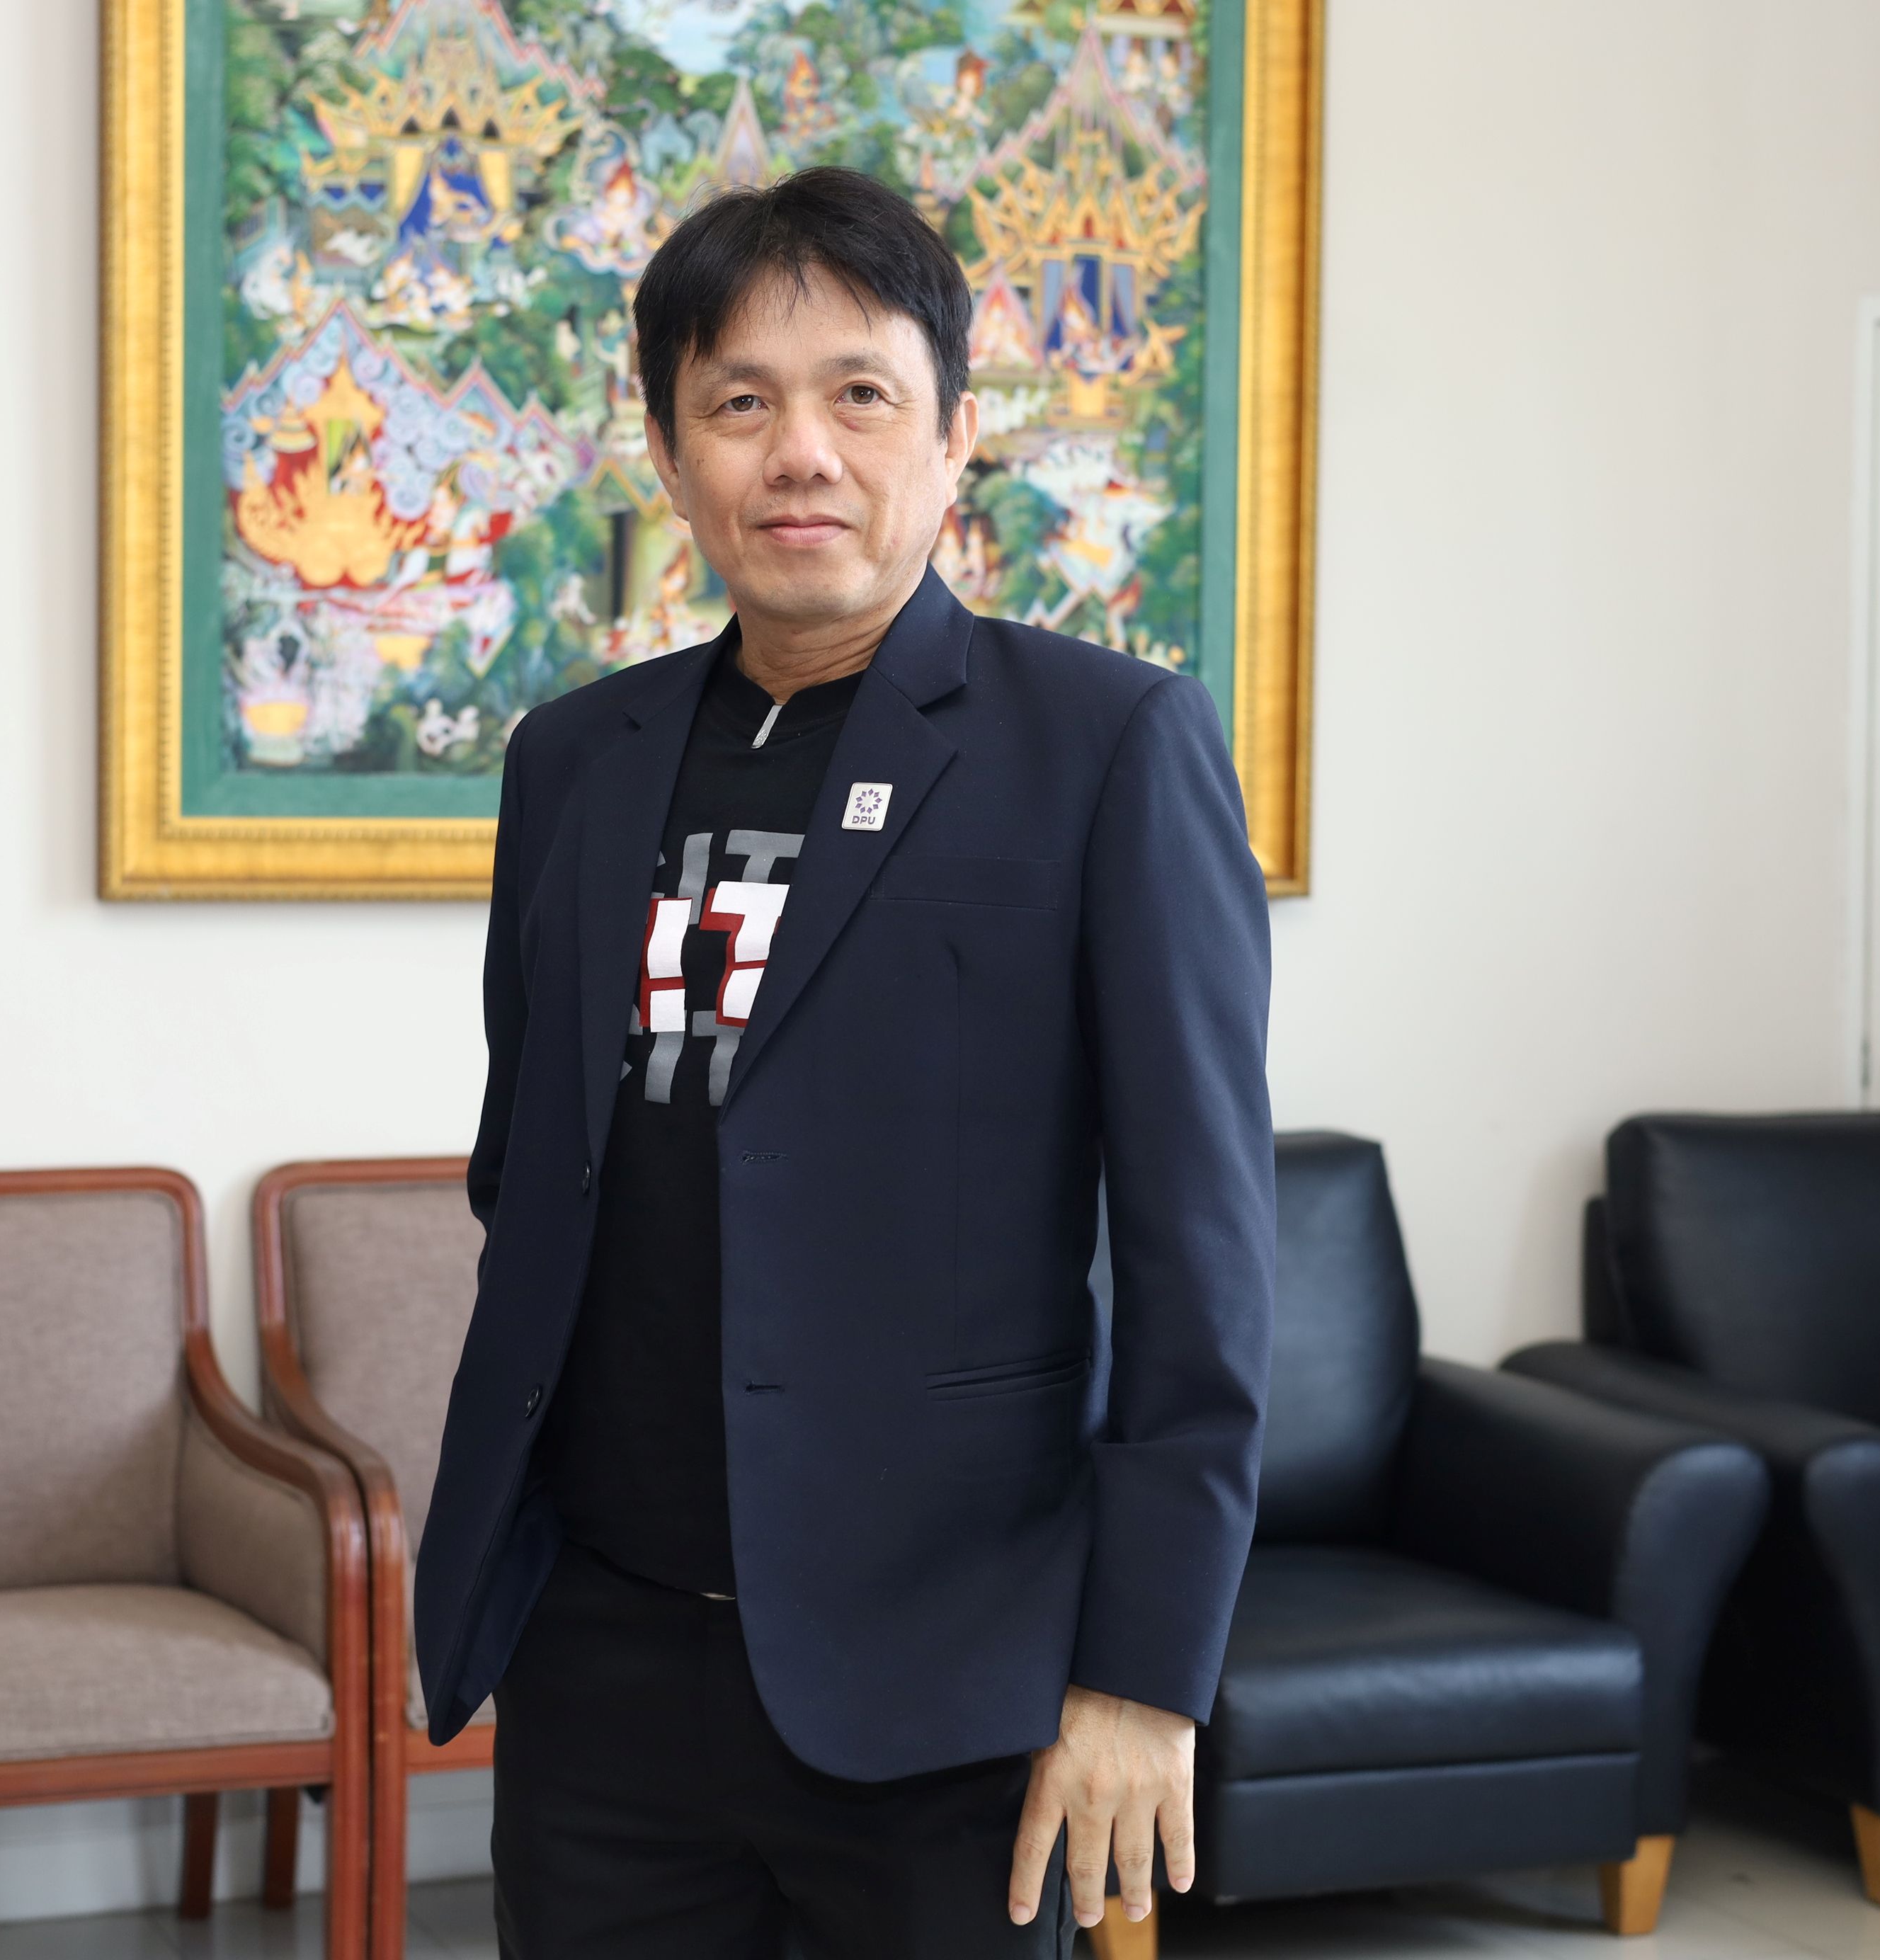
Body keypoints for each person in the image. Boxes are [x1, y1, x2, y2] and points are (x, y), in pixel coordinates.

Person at [415, 166, 1275, 1959]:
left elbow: (1204, 1263)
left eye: (859, 394)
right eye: (739, 402)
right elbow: (531, 1163)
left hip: (944, 1673)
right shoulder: (572, 759)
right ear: (670, 456)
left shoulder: (1105, 744)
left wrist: (1143, 1673)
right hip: (604, 1660)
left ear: (953, 436)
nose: (798, 451)